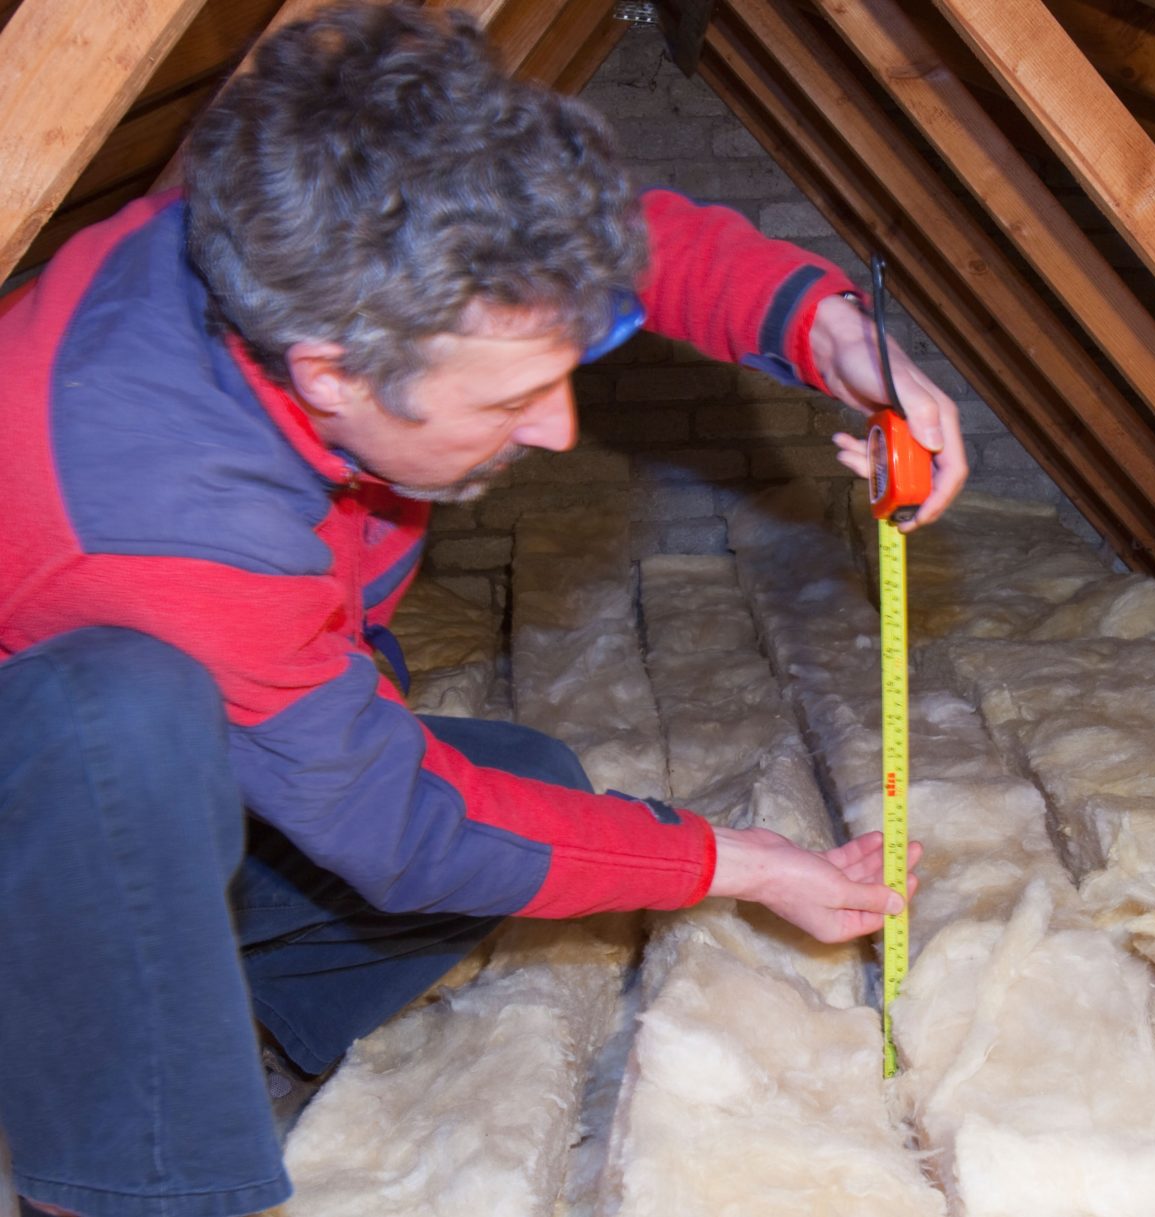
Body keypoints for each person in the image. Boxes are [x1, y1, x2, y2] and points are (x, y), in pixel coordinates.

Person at [0, 6, 962, 1216]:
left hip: (154, 765)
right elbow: (404, 829)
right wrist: (745, 862)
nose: (560, 426)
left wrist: (832, 332)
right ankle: (136, 1175)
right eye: (511, 396)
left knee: (531, 781)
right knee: (127, 716)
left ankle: (198, 1009)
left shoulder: (319, 233)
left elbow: (610, 247)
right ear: (334, 373)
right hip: (50, 788)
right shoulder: (163, 520)